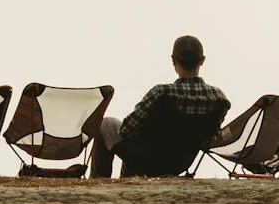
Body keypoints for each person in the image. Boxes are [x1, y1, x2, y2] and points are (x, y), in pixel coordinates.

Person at [89, 35, 229, 178]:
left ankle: (98, 181)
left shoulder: (161, 93)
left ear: (173, 60)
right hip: (179, 164)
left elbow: (126, 130)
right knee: (137, 140)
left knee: (105, 124)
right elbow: (210, 138)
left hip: (145, 160)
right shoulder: (219, 99)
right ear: (202, 60)